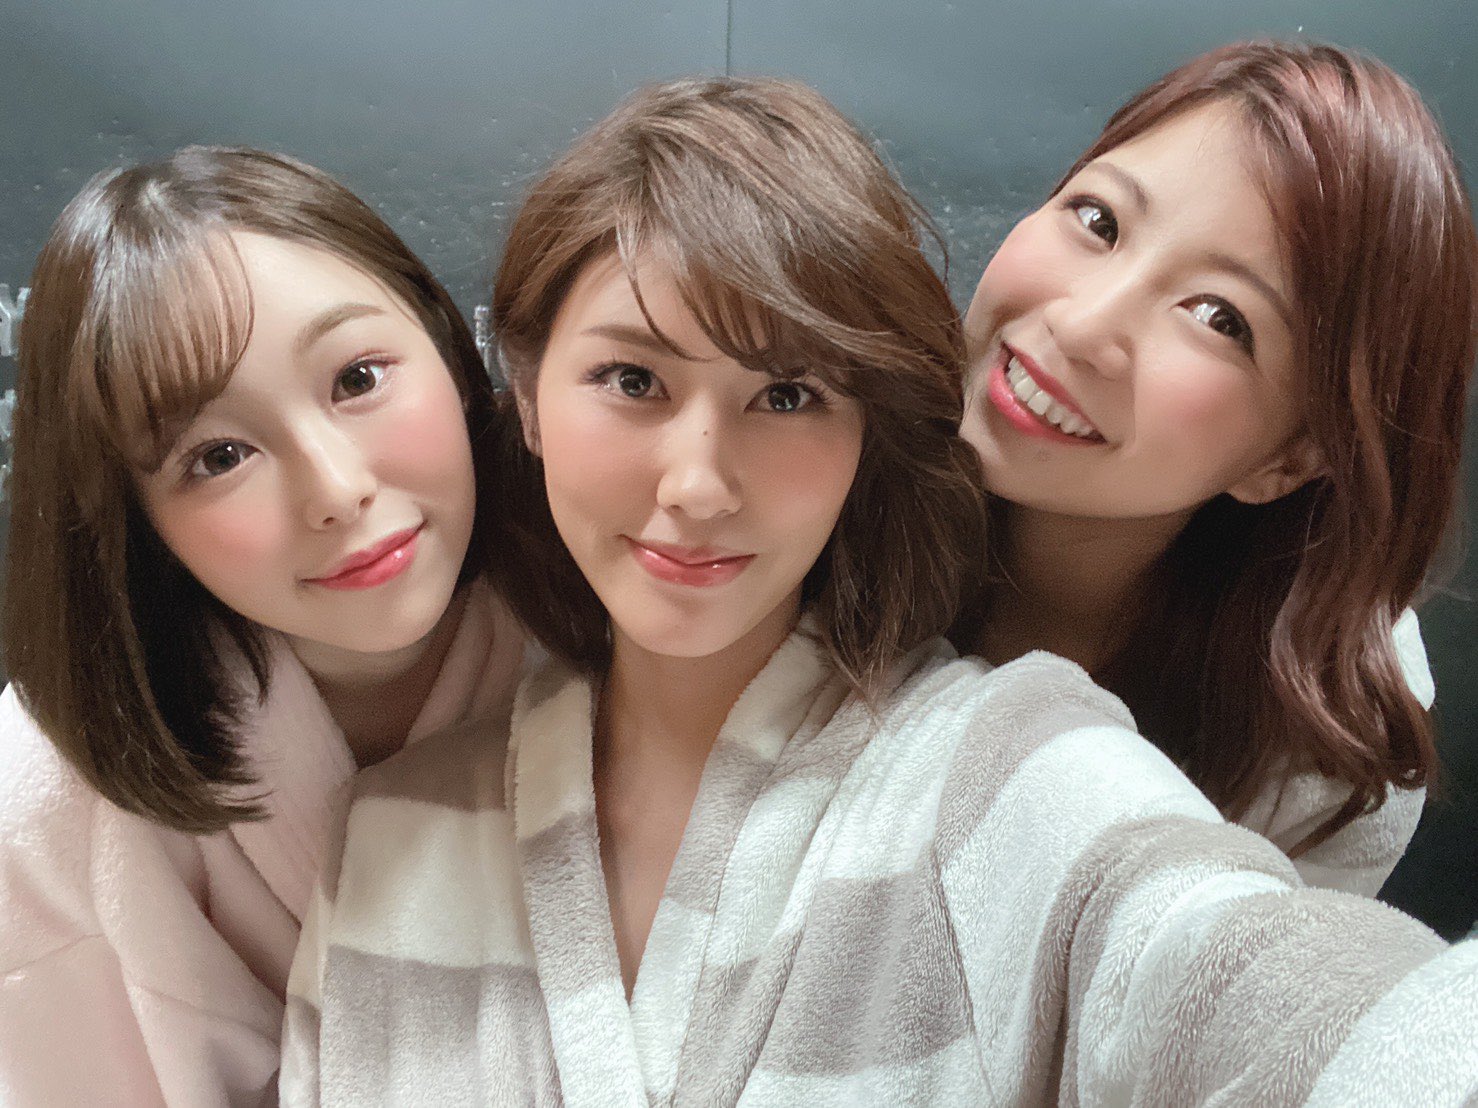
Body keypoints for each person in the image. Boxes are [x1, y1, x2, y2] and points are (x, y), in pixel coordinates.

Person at [282, 77, 1475, 1106]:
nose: (1080, 325)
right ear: (529, 386)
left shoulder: (1198, 743)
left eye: (787, 394)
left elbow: (1236, 975)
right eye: (1097, 220)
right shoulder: (394, 830)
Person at [0, 147, 526, 1105]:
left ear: (452, 353)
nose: (336, 489)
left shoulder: (609, 633)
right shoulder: (46, 802)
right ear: (133, 522)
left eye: (358, 379)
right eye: (219, 455)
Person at [957, 39, 1478, 894]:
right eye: (1098, 221)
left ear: (1292, 458)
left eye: (1218, 317)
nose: (1083, 326)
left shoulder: (1324, 745)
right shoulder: (804, 468)